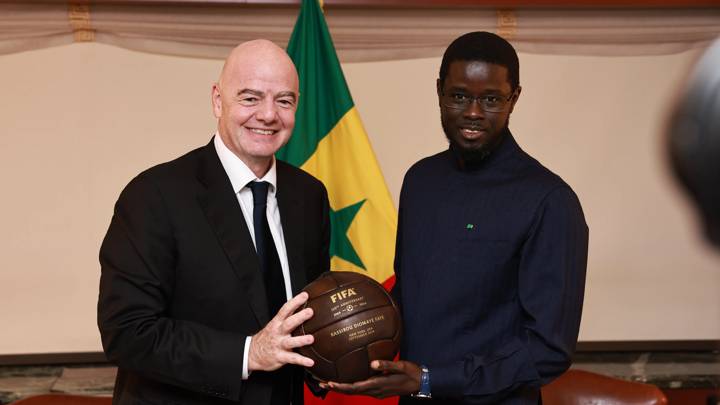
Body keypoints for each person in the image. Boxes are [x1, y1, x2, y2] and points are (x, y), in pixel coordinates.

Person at [324, 31, 589, 404]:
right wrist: (336, 347)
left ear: (514, 98)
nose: (473, 112)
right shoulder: (419, 181)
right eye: (460, 96)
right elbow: (408, 296)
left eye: (492, 99)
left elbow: (548, 350)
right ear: (439, 92)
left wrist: (431, 380)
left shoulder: (550, 201)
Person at [97, 40, 330, 405]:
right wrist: (248, 353)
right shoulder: (153, 196)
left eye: (284, 100)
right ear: (218, 100)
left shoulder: (308, 195)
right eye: (251, 98)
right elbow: (127, 332)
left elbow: (303, 316)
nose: (269, 115)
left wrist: (338, 361)